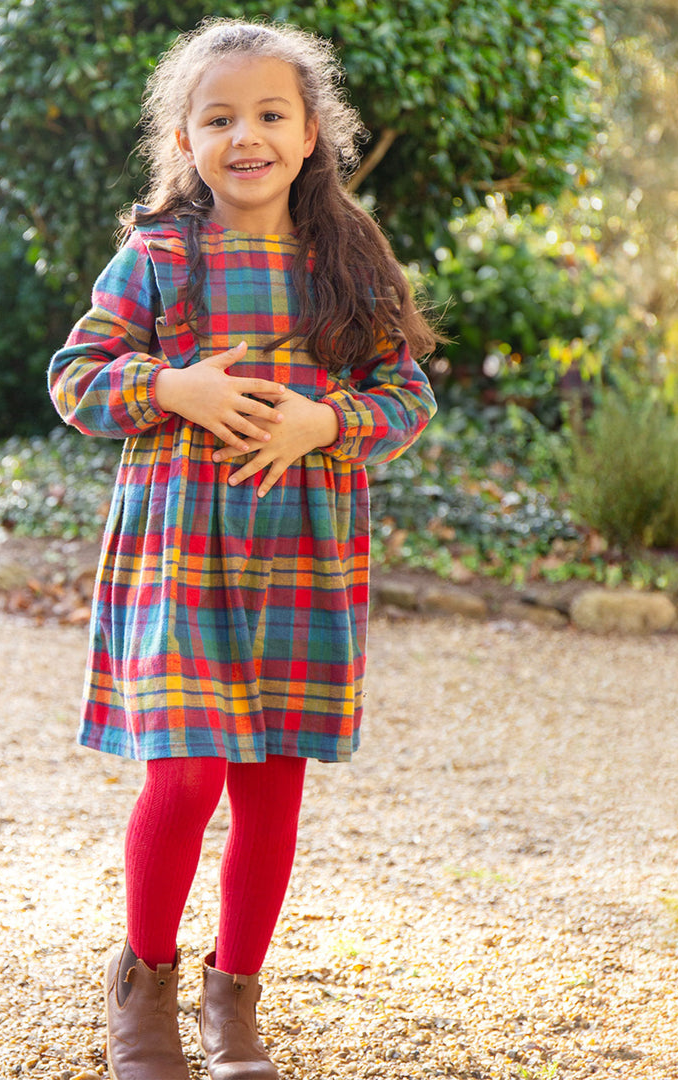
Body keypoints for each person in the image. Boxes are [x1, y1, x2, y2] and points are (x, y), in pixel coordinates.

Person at [48, 17, 439, 1080]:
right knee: (184, 776)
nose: (247, 135)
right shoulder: (159, 253)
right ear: (186, 136)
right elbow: (75, 377)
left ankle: (236, 1003)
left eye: (271, 114)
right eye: (220, 117)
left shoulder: (347, 261)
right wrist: (172, 385)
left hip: (306, 555)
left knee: (271, 786)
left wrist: (330, 422)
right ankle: (144, 985)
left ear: (311, 134)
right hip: (180, 553)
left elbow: (406, 392)